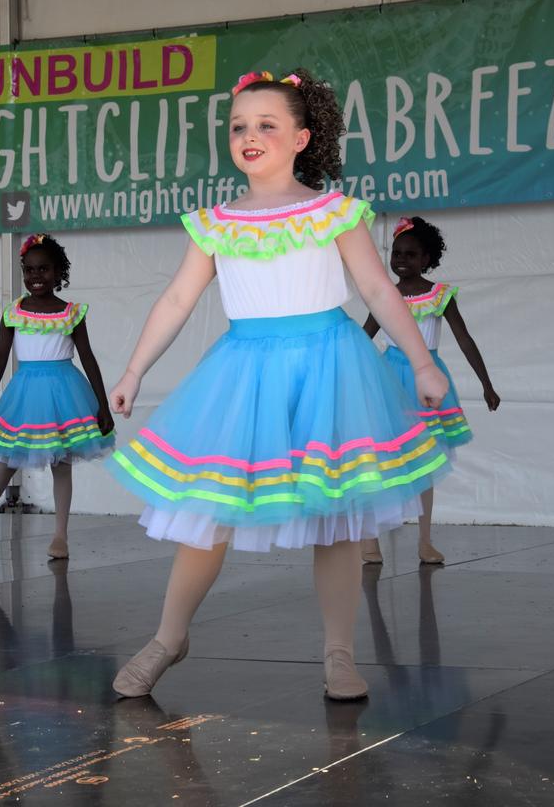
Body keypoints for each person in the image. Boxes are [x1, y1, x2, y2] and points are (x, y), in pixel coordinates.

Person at [107, 69, 451, 702]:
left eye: (267, 124)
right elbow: (179, 299)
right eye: (239, 125)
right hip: (245, 372)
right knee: (206, 511)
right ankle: (168, 637)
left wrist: (422, 362)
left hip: (330, 366)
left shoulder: (334, 211)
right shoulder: (215, 223)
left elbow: (378, 288)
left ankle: (339, 653)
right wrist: (132, 371)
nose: (249, 135)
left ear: (302, 138)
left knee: (337, 514)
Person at [0, 233, 115, 561]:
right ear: (23, 271)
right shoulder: (14, 312)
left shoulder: (71, 313)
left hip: (65, 391)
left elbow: (87, 357)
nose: (36, 276)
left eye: (44, 269)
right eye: (30, 270)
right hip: (26, 393)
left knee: (62, 463)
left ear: (58, 272)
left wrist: (103, 404)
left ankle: (60, 535)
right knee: (8, 459)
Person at [361, 216, 500, 565]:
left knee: (426, 462)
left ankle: (425, 541)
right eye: (396, 253)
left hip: (427, 381)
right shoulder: (384, 294)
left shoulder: (441, 295)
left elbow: (464, 340)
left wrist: (486, 383)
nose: (401, 260)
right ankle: (372, 541)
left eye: (410, 254)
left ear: (427, 258)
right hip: (390, 379)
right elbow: (365, 338)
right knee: (385, 461)